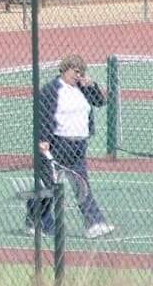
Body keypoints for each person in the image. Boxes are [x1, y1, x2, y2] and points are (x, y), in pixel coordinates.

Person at [26, 52, 113, 238]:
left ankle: (94, 223)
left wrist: (92, 86)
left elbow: (100, 102)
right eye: (75, 71)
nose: (78, 75)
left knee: (82, 185)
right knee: (49, 185)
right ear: (65, 70)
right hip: (57, 145)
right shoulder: (51, 89)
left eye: (81, 72)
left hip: (78, 147)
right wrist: (44, 140)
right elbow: (44, 115)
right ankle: (34, 221)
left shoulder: (82, 88)